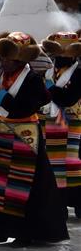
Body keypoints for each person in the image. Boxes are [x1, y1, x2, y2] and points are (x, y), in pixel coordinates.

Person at [0, 32, 68, 245]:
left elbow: (23, 108)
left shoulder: (32, 80)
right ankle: (0, 227)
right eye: (3, 57)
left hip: (24, 137)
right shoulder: (0, 75)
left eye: (11, 59)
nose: (5, 62)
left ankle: (24, 232)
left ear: (22, 60)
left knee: (22, 184)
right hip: (0, 133)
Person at [40, 32, 81, 218]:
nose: (63, 56)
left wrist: (50, 89)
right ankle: (59, 204)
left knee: (73, 165)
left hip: (74, 123)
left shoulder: (79, 72)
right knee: (53, 166)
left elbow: (68, 98)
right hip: (50, 123)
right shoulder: (47, 71)